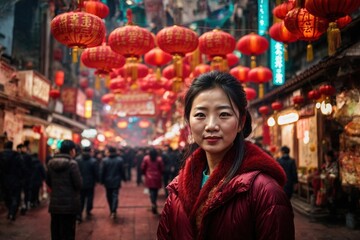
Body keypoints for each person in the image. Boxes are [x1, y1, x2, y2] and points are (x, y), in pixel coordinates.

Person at [157, 71, 295, 239]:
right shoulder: (178, 190)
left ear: (241, 122)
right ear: (189, 122)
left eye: (224, 114)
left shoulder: (265, 192)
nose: (211, 126)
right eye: (200, 115)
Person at [46, 140, 82, 240]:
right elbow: (78, 184)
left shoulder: (50, 163)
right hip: (69, 204)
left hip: (55, 204)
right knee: (68, 232)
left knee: (56, 231)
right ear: (71, 151)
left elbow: (48, 181)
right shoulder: (72, 164)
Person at [0, 141, 24, 221]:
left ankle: (10, 210)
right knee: (15, 197)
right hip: (15, 179)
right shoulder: (16, 155)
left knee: (6, 196)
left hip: (3, 179)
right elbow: (21, 168)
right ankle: (12, 212)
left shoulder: (1, 155)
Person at [100, 146, 126, 220]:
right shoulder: (120, 160)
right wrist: (124, 178)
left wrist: (101, 180)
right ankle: (114, 210)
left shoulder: (104, 160)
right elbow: (122, 171)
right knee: (115, 195)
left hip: (107, 181)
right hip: (116, 180)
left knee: (109, 196)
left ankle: (112, 209)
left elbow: (102, 172)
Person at [76, 146, 99, 222]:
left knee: (80, 198)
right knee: (90, 197)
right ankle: (88, 210)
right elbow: (96, 172)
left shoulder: (77, 160)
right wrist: (97, 180)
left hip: (80, 182)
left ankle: (79, 214)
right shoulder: (93, 161)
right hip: (90, 182)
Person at [141, 147, 164, 214]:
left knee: (151, 191)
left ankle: (153, 203)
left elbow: (143, 167)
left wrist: (145, 173)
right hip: (157, 177)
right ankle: (154, 203)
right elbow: (162, 168)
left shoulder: (146, 158)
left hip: (149, 176)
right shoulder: (159, 159)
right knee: (155, 191)